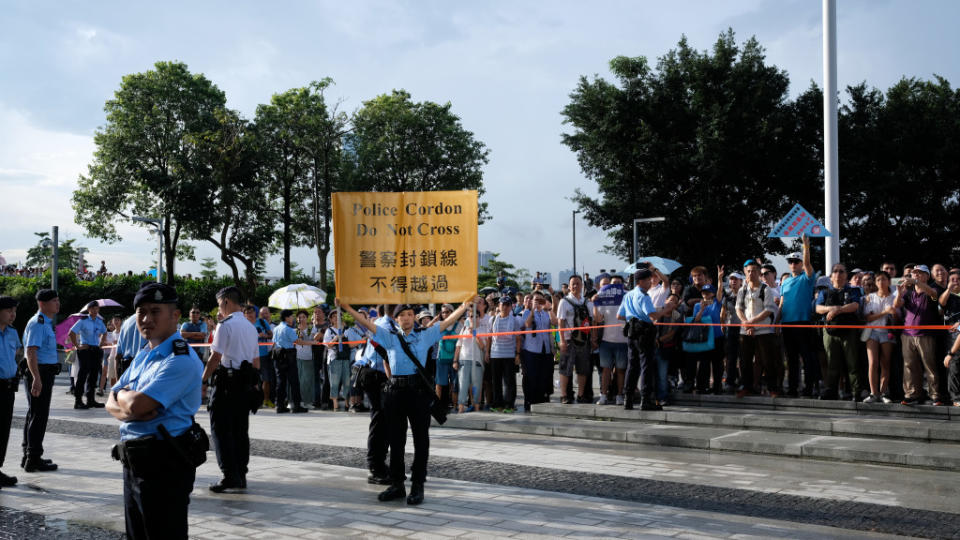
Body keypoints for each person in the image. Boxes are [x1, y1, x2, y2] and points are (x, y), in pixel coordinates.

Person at [336, 295, 474, 505]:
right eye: (402, 315)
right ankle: (397, 484)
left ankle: (418, 485)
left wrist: (463, 307)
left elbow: (447, 322)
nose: (407, 318)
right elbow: (366, 323)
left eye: (410, 314)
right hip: (395, 393)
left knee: (421, 440)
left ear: (414, 317)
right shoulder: (389, 336)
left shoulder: (425, 335)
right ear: (396, 318)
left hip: (417, 392)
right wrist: (346, 306)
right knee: (396, 440)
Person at [106, 282, 203, 539]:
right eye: (141, 312)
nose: (146, 319)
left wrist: (126, 401)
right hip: (135, 462)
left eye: (155, 311)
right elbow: (110, 400)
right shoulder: (144, 354)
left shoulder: (179, 359)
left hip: (163, 465)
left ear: (175, 315)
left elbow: (137, 405)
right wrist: (128, 404)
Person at [201, 287, 260, 492]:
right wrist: (254, 385)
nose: (219, 309)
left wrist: (202, 379)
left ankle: (229, 474)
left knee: (220, 428)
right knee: (240, 430)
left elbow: (215, 357)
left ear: (225, 302)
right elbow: (256, 361)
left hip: (227, 381)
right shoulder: (250, 327)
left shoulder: (224, 326)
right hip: (245, 381)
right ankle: (241, 473)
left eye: (219, 305)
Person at [619, 268, 676, 410]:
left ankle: (628, 399)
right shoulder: (643, 296)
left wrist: (632, 317)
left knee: (632, 366)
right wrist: (666, 309)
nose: (651, 282)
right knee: (646, 366)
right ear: (640, 281)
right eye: (648, 279)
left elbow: (619, 316)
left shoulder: (628, 295)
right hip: (644, 332)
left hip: (632, 332)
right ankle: (645, 400)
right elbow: (653, 316)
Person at [21, 288, 61, 472]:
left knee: (35, 413)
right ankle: (33, 458)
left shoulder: (45, 322)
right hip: (40, 373)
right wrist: (37, 378)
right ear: (42, 304)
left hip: (44, 372)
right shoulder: (38, 323)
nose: (58, 304)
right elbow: (30, 352)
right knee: (39, 415)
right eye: (54, 301)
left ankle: (29, 454)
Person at [894, 265, 943, 405]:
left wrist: (916, 282)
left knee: (929, 365)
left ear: (927, 276)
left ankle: (934, 395)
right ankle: (912, 394)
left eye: (920, 273)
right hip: (907, 334)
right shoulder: (908, 293)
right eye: (914, 273)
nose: (916, 275)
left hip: (926, 334)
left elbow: (934, 295)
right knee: (909, 365)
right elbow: (897, 305)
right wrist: (898, 292)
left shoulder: (932, 290)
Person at [815, 264, 864, 401]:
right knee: (832, 364)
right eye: (835, 271)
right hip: (830, 333)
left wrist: (838, 310)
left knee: (852, 363)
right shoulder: (825, 292)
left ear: (846, 275)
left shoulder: (853, 290)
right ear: (831, 277)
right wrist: (832, 308)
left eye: (841, 271)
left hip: (849, 332)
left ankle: (856, 392)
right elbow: (818, 308)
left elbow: (855, 305)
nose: (838, 274)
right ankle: (831, 391)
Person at [779, 236, 821, 397]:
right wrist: (776, 323)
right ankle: (792, 388)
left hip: (803, 322)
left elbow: (808, 264)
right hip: (787, 324)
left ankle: (809, 388)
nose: (793, 264)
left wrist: (806, 246)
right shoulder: (785, 282)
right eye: (790, 261)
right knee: (791, 359)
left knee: (806, 357)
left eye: (796, 261)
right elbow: (782, 304)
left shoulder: (807, 277)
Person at [557, 275, 596, 404]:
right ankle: (564, 395)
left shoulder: (587, 303)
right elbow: (560, 322)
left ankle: (581, 394)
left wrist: (593, 338)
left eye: (578, 284)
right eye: (573, 284)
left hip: (584, 340)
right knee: (565, 369)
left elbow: (593, 322)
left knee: (583, 369)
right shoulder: (564, 302)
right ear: (568, 286)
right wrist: (561, 340)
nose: (575, 286)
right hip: (569, 340)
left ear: (582, 286)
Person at [594, 275, 629, 405]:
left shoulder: (628, 295)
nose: (616, 285)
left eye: (619, 283)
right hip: (606, 340)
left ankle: (619, 395)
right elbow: (598, 319)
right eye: (613, 283)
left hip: (623, 341)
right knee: (606, 370)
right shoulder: (604, 296)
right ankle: (603, 395)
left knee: (621, 370)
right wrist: (595, 303)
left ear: (623, 284)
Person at [863, 271, 897, 403]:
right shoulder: (870, 297)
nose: (881, 282)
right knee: (872, 363)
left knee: (885, 363)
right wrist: (884, 312)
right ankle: (873, 393)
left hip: (888, 332)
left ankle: (883, 393)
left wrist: (893, 313)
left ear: (889, 281)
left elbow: (898, 317)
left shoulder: (894, 297)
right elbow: (868, 317)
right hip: (872, 332)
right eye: (878, 280)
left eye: (883, 279)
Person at [68, 301, 108, 409]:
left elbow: (105, 332)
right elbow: (71, 332)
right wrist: (77, 346)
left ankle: (91, 400)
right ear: (89, 309)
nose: (95, 311)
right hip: (85, 350)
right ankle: (78, 401)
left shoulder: (99, 322)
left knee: (94, 376)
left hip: (96, 349)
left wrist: (102, 342)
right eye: (93, 309)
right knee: (82, 375)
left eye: (97, 309)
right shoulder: (83, 321)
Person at [521, 290, 556, 411]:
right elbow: (527, 324)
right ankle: (529, 401)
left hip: (544, 349)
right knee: (531, 377)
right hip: (531, 350)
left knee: (543, 376)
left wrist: (549, 308)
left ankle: (541, 401)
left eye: (541, 300)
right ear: (531, 301)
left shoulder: (546, 313)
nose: (538, 303)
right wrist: (532, 309)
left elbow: (555, 322)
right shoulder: (527, 312)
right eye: (536, 300)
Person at [0, 296, 21, 487]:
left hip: (8, 386)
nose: (13, 315)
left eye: (14, 311)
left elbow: (17, 354)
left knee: (4, 429)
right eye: (9, 311)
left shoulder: (12, 332)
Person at [489, 296, 523, 412]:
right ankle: (498, 403)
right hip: (495, 354)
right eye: (502, 304)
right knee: (496, 381)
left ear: (511, 307)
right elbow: (489, 338)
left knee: (509, 381)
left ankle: (509, 404)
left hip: (509, 354)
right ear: (498, 306)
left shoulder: (515, 320)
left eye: (507, 305)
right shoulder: (492, 319)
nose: (504, 307)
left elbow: (518, 338)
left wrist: (518, 354)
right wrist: (487, 353)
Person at [453, 302, 488, 413]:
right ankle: (461, 408)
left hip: (477, 361)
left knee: (477, 386)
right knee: (463, 385)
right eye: (471, 316)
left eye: (475, 316)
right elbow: (458, 346)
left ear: (479, 318)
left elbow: (482, 347)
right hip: (463, 360)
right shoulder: (463, 329)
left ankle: (477, 407)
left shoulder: (483, 330)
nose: (473, 318)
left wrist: (474, 333)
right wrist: (455, 360)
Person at [272, 310, 307, 413]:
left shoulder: (276, 328)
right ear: (286, 318)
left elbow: (274, 342)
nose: (292, 318)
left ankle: (279, 405)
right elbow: (298, 341)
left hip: (278, 355)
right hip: (289, 356)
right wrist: (312, 342)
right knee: (294, 382)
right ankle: (297, 406)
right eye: (291, 316)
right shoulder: (288, 329)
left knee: (280, 382)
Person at [323, 310, 353, 411]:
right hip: (334, 358)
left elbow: (351, 343)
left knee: (347, 381)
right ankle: (335, 404)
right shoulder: (329, 331)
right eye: (334, 316)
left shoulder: (347, 330)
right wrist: (336, 338)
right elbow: (327, 345)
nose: (336, 318)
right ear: (331, 319)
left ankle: (346, 403)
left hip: (345, 358)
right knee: (334, 382)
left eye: (338, 316)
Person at [254, 307, 275, 408]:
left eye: (266, 313)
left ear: (270, 314)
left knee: (267, 379)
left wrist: (264, 335)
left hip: (267, 355)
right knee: (255, 379)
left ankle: (267, 400)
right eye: (262, 314)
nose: (264, 315)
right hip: (252, 356)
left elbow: (272, 336)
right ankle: (257, 400)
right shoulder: (248, 323)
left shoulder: (267, 324)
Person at [116, 312, 148, 379]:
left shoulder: (126, 322)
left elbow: (118, 354)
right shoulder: (150, 320)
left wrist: (118, 379)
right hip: (144, 364)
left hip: (126, 366)